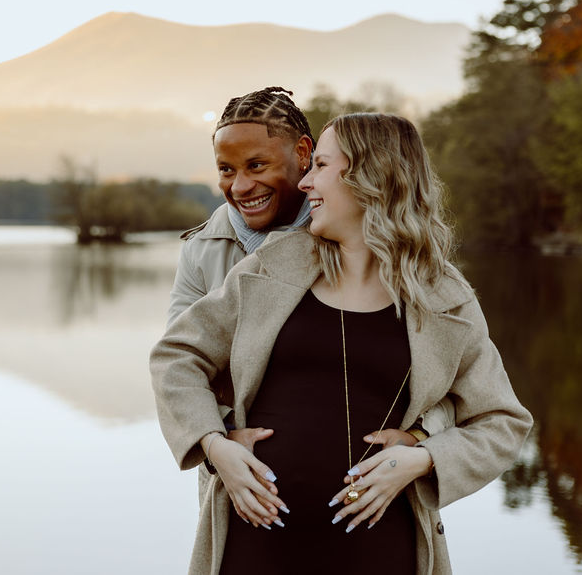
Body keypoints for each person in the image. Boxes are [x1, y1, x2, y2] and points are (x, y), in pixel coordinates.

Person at [151, 113, 533, 574]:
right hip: (253, 551)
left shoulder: (443, 297)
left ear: (369, 176)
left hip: (382, 554)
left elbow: (501, 422)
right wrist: (215, 446)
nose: (305, 182)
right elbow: (177, 356)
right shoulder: (272, 267)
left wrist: (423, 459)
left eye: (321, 166)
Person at [170, 89, 452, 503]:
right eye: (226, 170)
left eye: (257, 165)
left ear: (303, 153)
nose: (241, 186)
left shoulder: (364, 238)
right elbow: (179, 364)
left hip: (377, 503)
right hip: (244, 496)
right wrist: (220, 438)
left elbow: (449, 381)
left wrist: (421, 436)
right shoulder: (201, 251)